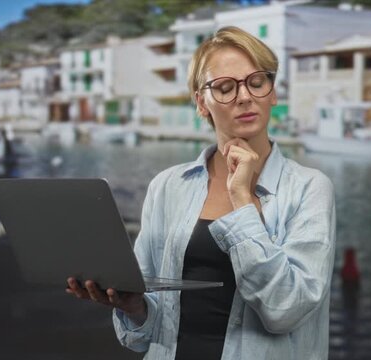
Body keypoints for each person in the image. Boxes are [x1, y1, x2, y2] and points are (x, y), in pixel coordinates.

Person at [65, 26, 336, 360]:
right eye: (224, 87)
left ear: (273, 92)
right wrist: (133, 305)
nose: (245, 96)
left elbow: (285, 311)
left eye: (257, 81)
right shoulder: (168, 186)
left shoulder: (310, 188)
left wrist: (242, 202)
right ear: (201, 103)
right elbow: (145, 332)